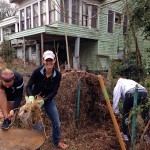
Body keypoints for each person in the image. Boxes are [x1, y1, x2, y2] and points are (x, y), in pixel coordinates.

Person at [26, 50, 68, 149]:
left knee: (56, 122)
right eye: (47, 60)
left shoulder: (57, 75)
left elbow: (54, 92)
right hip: (35, 101)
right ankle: (37, 146)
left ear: (54, 61)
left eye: (51, 60)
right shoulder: (37, 72)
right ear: (43, 61)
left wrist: (44, 100)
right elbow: (28, 86)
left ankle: (56, 141)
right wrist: (31, 97)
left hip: (48, 101)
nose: (49, 62)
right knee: (38, 126)